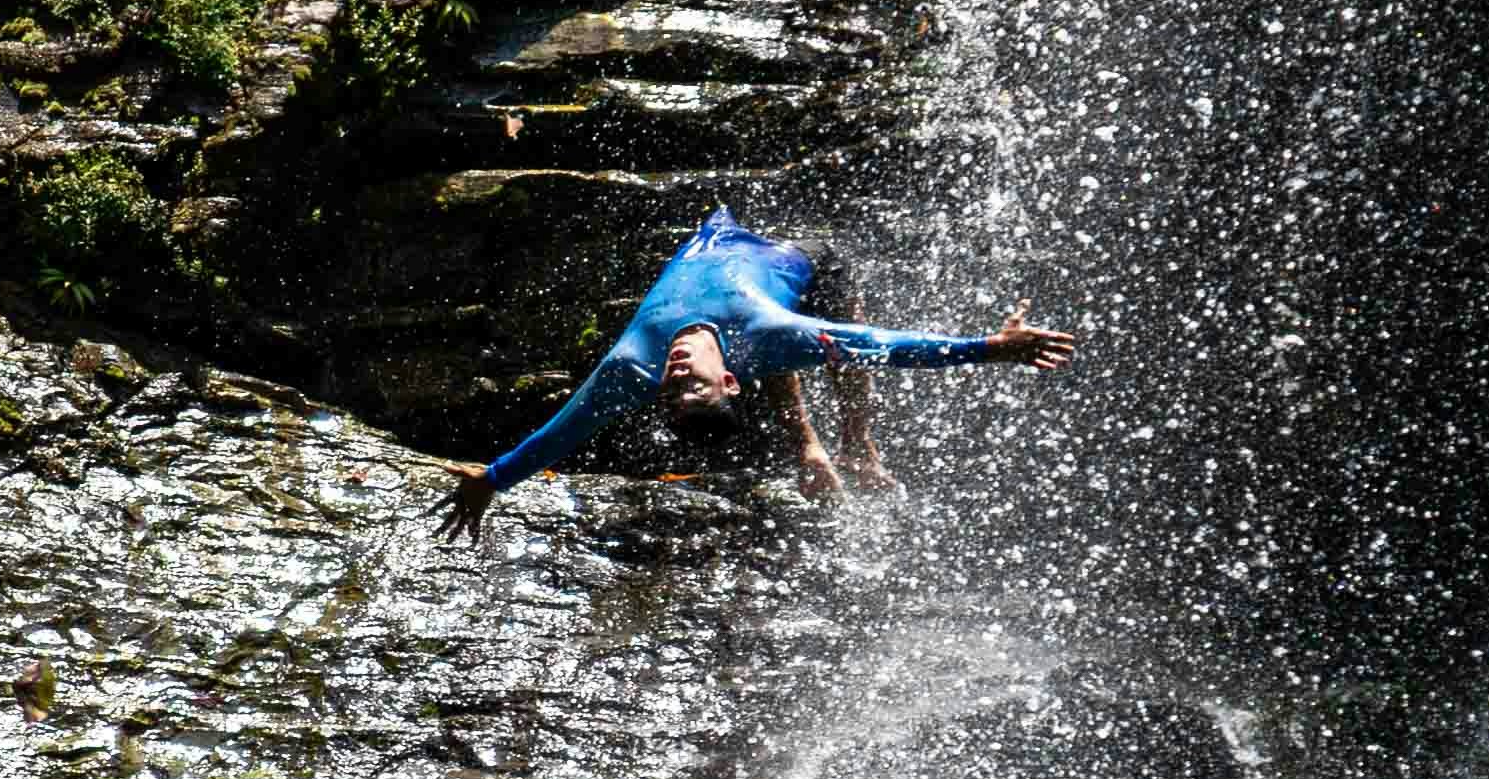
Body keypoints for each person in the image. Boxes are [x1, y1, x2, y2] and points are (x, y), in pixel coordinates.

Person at [432, 207, 1078, 541]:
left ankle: (836, 442)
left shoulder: (631, 368)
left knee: (803, 343)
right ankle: (833, 440)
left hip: (744, 253)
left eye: (674, 388)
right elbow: (890, 345)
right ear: (726, 385)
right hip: (796, 263)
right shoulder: (763, 336)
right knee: (821, 340)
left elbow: (558, 435)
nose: (677, 373)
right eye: (692, 385)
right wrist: (990, 347)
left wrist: (493, 480)